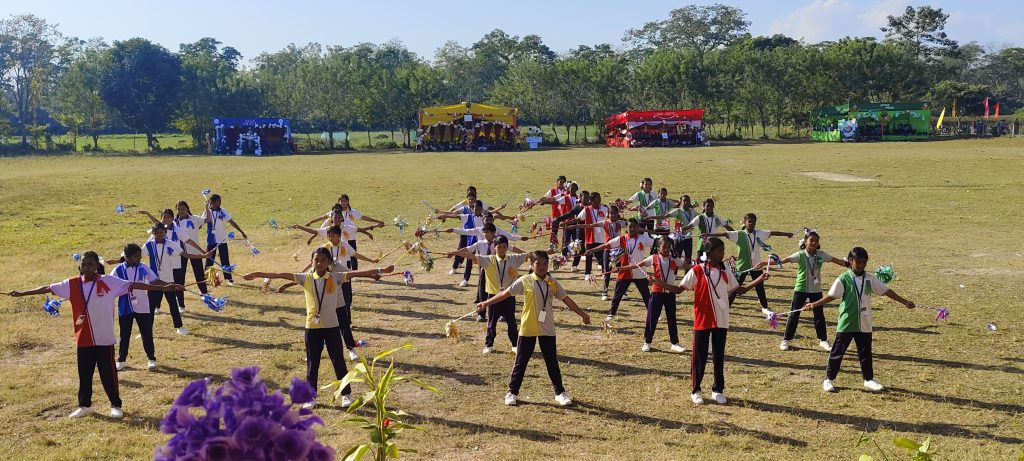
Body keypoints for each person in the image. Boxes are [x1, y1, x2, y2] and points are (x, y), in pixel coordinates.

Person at [7, 251, 182, 419]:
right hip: (83, 338)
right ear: (80, 265)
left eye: (90, 264)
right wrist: (22, 293)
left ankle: (116, 405)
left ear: (97, 266)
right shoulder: (72, 284)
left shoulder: (109, 281)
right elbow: (47, 288)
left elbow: (134, 285)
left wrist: (163, 287)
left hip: (104, 338)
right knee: (84, 374)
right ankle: (84, 405)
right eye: (84, 264)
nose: (87, 267)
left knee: (109, 374)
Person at [241, 249, 394, 409]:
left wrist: (380, 270)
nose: (319, 263)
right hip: (312, 328)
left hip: (332, 326)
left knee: (339, 361)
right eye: (316, 260)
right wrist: (256, 274)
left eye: (322, 260)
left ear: (329, 263)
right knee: (312, 364)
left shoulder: (336, 277)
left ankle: (346, 394)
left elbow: (356, 273)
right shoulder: (305, 278)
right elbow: (280, 274)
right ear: (312, 261)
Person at [651, 237, 768, 405]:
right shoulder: (697, 270)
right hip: (702, 320)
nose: (723, 253)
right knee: (700, 356)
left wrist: (760, 279)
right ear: (710, 252)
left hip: (721, 320)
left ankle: (717, 389)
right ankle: (696, 390)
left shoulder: (725, 270)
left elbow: (739, 290)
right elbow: (678, 290)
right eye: (720, 250)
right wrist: (658, 282)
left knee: (719, 356)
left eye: (723, 251)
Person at [476, 251, 591, 407]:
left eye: (545, 263)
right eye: (538, 263)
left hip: (547, 328)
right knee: (521, 362)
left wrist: (582, 314)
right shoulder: (525, 281)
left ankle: (560, 393)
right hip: (528, 327)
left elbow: (567, 299)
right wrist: (485, 303)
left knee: (552, 362)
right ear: (531, 265)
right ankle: (512, 392)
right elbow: (505, 293)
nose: (542, 267)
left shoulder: (552, 283)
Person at [804, 247, 915, 393]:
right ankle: (829, 379)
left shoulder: (870, 278)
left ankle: (868, 379)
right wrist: (814, 304)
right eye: (858, 262)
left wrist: (905, 302)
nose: (862, 265)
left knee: (865, 352)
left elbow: (886, 291)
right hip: (847, 322)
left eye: (864, 262)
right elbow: (831, 296)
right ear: (850, 261)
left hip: (865, 322)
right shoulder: (843, 279)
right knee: (838, 351)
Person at [706, 213, 793, 315]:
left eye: (753, 222)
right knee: (735, 289)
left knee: (760, 287)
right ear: (745, 222)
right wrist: (710, 235)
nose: (751, 224)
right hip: (742, 266)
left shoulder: (760, 233)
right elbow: (725, 234)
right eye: (749, 222)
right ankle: (725, 308)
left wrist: (787, 234)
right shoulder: (739, 234)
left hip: (756, 265)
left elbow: (773, 233)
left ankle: (765, 307)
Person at [778, 231, 849, 351]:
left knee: (819, 315)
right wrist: (766, 263)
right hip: (800, 289)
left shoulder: (821, 255)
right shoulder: (800, 255)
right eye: (811, 240)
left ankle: (823, 340)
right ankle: (786, 340)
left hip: (816, 290)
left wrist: (850, 264)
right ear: (805, 242)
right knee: (794, 315)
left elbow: (836, 260)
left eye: (816, 240)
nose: (814, 242)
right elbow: (783, 261)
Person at [618, 237, 688, 353]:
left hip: (670, 293)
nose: (666, 249)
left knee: (672, 318)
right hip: (657, 293)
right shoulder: (653, 258)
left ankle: (675, 343)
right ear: (658, 247)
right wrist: (622, 268)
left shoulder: (674, 259)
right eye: (664, 247)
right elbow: (638, 265)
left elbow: (686, 266)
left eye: (669, 247)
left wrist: (699, 265)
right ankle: (647, 342)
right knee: (652, 318)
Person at [584, 218, 654, 322]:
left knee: (646, 295)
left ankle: (652, 313)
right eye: (630, 227)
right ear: (626, 228)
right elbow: (607, 245)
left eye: (634, 226)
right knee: (617, 294)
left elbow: (656, 244)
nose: (632, 228)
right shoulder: (622, 239)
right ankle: (611, 313)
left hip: (639, 271)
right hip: (624, 271)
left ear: (638, 227)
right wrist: (592, 250)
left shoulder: (643, 239)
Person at [202, 194, 248, 285]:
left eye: (220, 201)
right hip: (211, 240)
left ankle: (228, 279)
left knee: (225, 259)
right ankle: (208, 279)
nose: (220, 203)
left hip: (222, 239)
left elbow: (231, 221)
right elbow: (201, 222)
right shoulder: (208, 211)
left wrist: (241, 231)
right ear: (212, 202)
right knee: (209, 260)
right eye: (218, 201)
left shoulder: (223, 211)